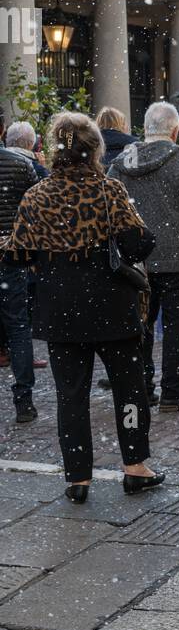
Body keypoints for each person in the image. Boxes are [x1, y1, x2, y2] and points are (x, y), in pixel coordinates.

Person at [4, 112, 163, 502]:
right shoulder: (108, 191)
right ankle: (135, 465)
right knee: (129, 389)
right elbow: (139, 244)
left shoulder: (38, 195)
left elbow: (19, 254)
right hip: (110, 303)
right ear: (94, 150)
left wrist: (51, 254)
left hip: (59, 305)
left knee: (70, 396)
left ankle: (78, 478)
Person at [109, 102, 179, 413]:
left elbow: (108, 205)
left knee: (139, 327)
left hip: (135, 261)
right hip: (177, 257)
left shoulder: (121, 162)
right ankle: (173, 392)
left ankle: (143, 386)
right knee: (176, 327)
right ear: (173, 131)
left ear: (145, 129)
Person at [0, 131, 39, 422]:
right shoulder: (20, 165)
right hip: (10, 255)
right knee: (18, 325)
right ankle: (23, 400)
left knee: (17, 326)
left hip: (11, 255)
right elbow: (35, 211)